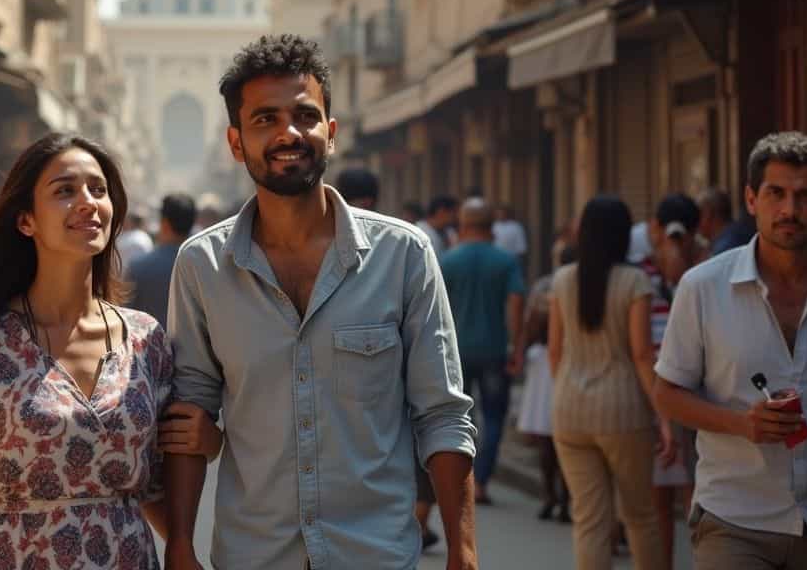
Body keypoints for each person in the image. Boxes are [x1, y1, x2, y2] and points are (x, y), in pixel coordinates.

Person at [164, 34, 478, 570]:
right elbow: (190, 411)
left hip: (375, 553)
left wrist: (463, 551)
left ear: (330, 134)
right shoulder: (202, 266)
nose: (289, 133)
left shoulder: (402, 255)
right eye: (264, 119)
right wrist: (179, 546)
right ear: (237, 143)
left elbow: (443, 413)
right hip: (253, 554)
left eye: (304, 116)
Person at [0, 133, 222, 570]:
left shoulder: (145, 341)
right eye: (64, 191)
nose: (88, 202)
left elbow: (153, 489)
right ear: (26, 221)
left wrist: (209, 442)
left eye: (99, 189)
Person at [653, 132, 807, 570]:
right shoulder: (703, 287)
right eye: (775, 193)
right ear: (750, 198)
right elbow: (667, 393)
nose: (789, 211)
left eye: (805, 196)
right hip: (732, 520)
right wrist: (741, 424)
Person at [549, 195, 671, 570]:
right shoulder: (635, 281)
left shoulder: (563, 279)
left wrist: (570, 391)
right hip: (624, 412)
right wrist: (664, 415)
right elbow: (641, 354)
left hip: (569, 411)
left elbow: (555, 351)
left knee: (589, 521)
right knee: (640, 516)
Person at [438, 197, 526, 506]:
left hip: (454, 353)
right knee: (493, 416)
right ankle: (482, 481)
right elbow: (515, 305)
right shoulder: (505, 261)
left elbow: (434, 308)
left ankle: (463, 479)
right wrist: (518, 347)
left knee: (460, 418)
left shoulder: (447, 260)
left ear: (462, 224)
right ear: (493, 227)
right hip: (493, 350)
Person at [642, 193, 707, 567]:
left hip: (658, 394)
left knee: (661, 506)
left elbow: (643, 348)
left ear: (656, 227)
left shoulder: (642, 274)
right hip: (699, 397)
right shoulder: (711, 271)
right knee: (697, 499)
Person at [517, 246, 575, 523]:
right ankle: (562, 498)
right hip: (570, 364)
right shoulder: (585, 285)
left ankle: (552, 495)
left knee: (546, 438)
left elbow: (530, 324)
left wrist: (520, 351)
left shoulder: (546, 286)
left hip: (545, 364)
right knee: (562, 438)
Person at [125, 194, 196, 329]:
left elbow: (126, 317)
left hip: (150, 346)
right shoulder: (204, 267)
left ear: (164, 224)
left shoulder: (139, 267)